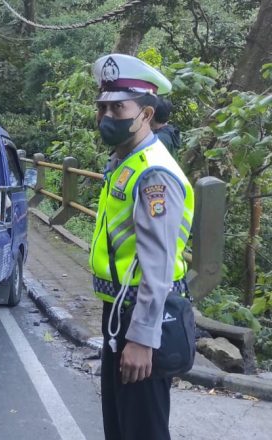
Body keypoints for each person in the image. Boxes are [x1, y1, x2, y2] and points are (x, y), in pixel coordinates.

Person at [90, 54, 195, 440]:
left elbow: (158, 263)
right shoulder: (125, 161)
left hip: (143, 315)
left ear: (146, 114)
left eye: (119, 108)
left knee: (142, 430)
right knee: (120, 427)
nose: (107, 116)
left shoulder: (154, 173)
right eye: (103, 107)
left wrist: (141, 338)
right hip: (120, 313)